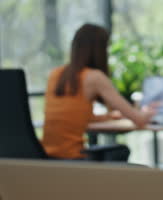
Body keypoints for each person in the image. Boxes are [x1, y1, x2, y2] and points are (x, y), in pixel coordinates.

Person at [42, 24, 156, 161]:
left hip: (46, 157)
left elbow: (74, 115)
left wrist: (108, 117)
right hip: (73, 158)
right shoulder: (94, 77)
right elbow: (139, 120)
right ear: (99, 50)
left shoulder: (55, 74)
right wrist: (149, 112)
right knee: (121, 150)